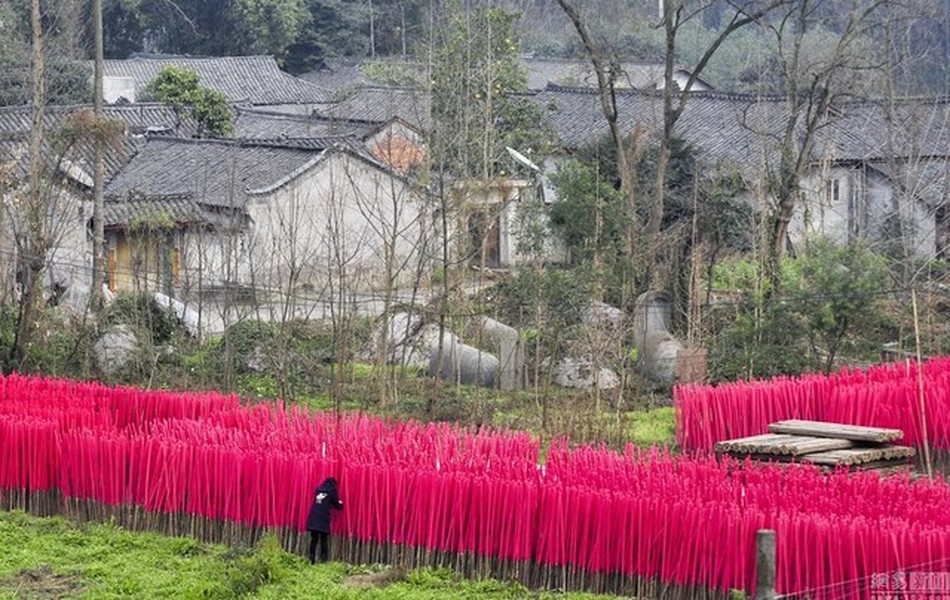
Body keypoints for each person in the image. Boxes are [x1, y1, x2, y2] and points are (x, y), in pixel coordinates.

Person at [306, 477, 343, 564]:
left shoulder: (318, 489)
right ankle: (324, 560)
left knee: (314, 539)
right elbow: (338, 505)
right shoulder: (332, 491)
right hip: (323, 519)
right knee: (323, 540)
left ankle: (311, 560)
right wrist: (341, 503)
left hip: (313, 517)